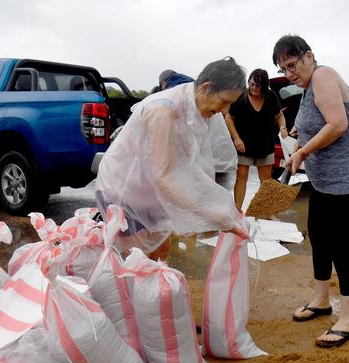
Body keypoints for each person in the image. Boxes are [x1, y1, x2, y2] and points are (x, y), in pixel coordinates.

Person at [272, 35, 349, 348]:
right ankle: (321, 300)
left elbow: (337, 124)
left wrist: (302, 152)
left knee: (340, 246)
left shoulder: (323, 75)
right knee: (318, 236)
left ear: (309, 56)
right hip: (324, 183)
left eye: (292, 64)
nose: (289, 72)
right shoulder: (307, 89)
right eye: (283, 67)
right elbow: (317, 121)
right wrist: (296, 133)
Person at [95, 57, 248, 260]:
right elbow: (164, 177)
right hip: (125, 190)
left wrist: (221, 205)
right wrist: (213, 213)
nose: (225, 110)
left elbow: (196, 164)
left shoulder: (197, 107)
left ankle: (153, 289)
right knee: (133, 260)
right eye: (225, 101)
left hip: (150, 193)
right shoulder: (164, 111)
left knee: (160, 253)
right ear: (207, 88)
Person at [156, 69, 238, 191]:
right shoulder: (195, 89)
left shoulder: (177, 93)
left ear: (163, 83)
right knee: (215, 200)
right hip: (222, 162)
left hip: (207, 163)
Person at [225, 69, 288, 211]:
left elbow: (279, 116)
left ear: (264, 87)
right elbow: (229, 118)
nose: (253, 88)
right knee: (241, 177)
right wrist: (236, 138)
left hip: (265, 145)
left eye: (258, 86)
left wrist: (283, 128)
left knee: (266, 180)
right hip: (243, 145)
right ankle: (237, 210)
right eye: (251, 84)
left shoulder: (271, 96)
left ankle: (267, 211)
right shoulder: (241, 96)